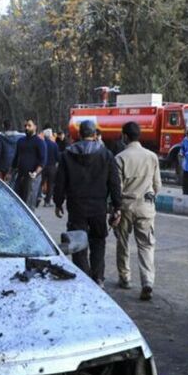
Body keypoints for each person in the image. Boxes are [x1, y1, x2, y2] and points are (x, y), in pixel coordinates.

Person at [54, 120, 122, 286]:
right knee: (98, 241)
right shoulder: (106, 155)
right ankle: (98, 277)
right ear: (95, 134)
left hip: (76, 207)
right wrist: (117, 207)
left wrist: (58, 202)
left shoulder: (67, 155)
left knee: (77, 243)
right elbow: (114, 183)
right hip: (98, 207)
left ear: (79, 134)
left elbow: (60, 182)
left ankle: (83, 277)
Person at [114, 122, 162, 301]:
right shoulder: (152, 157)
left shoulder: (120, 158)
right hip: (146, 207)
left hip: (126, 206)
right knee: (146, 245)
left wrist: (115, 209)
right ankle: (147, 281)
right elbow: (157, 185)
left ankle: (125, 277)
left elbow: (116, 188)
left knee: (123, 242)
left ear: (125, 136)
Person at [12, 119, 47, 207]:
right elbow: (16, 157)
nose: (27, 128)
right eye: (25, 126)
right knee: (17, 200)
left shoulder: (39, 142)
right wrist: (11, 172)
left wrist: (36, 172)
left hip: (32, 176)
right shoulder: (20, 141)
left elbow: (42, 160)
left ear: (35, 127)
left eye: (29, 126)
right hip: (20, 175)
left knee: (28, 202)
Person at [41, 128, 60, 207]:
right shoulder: (54, 145)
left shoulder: (41, 143)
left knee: (40, 182)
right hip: (52, 166)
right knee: (50, 184)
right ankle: (47, 201)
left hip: (42, 166)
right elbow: (57, 157)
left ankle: (38, 197)